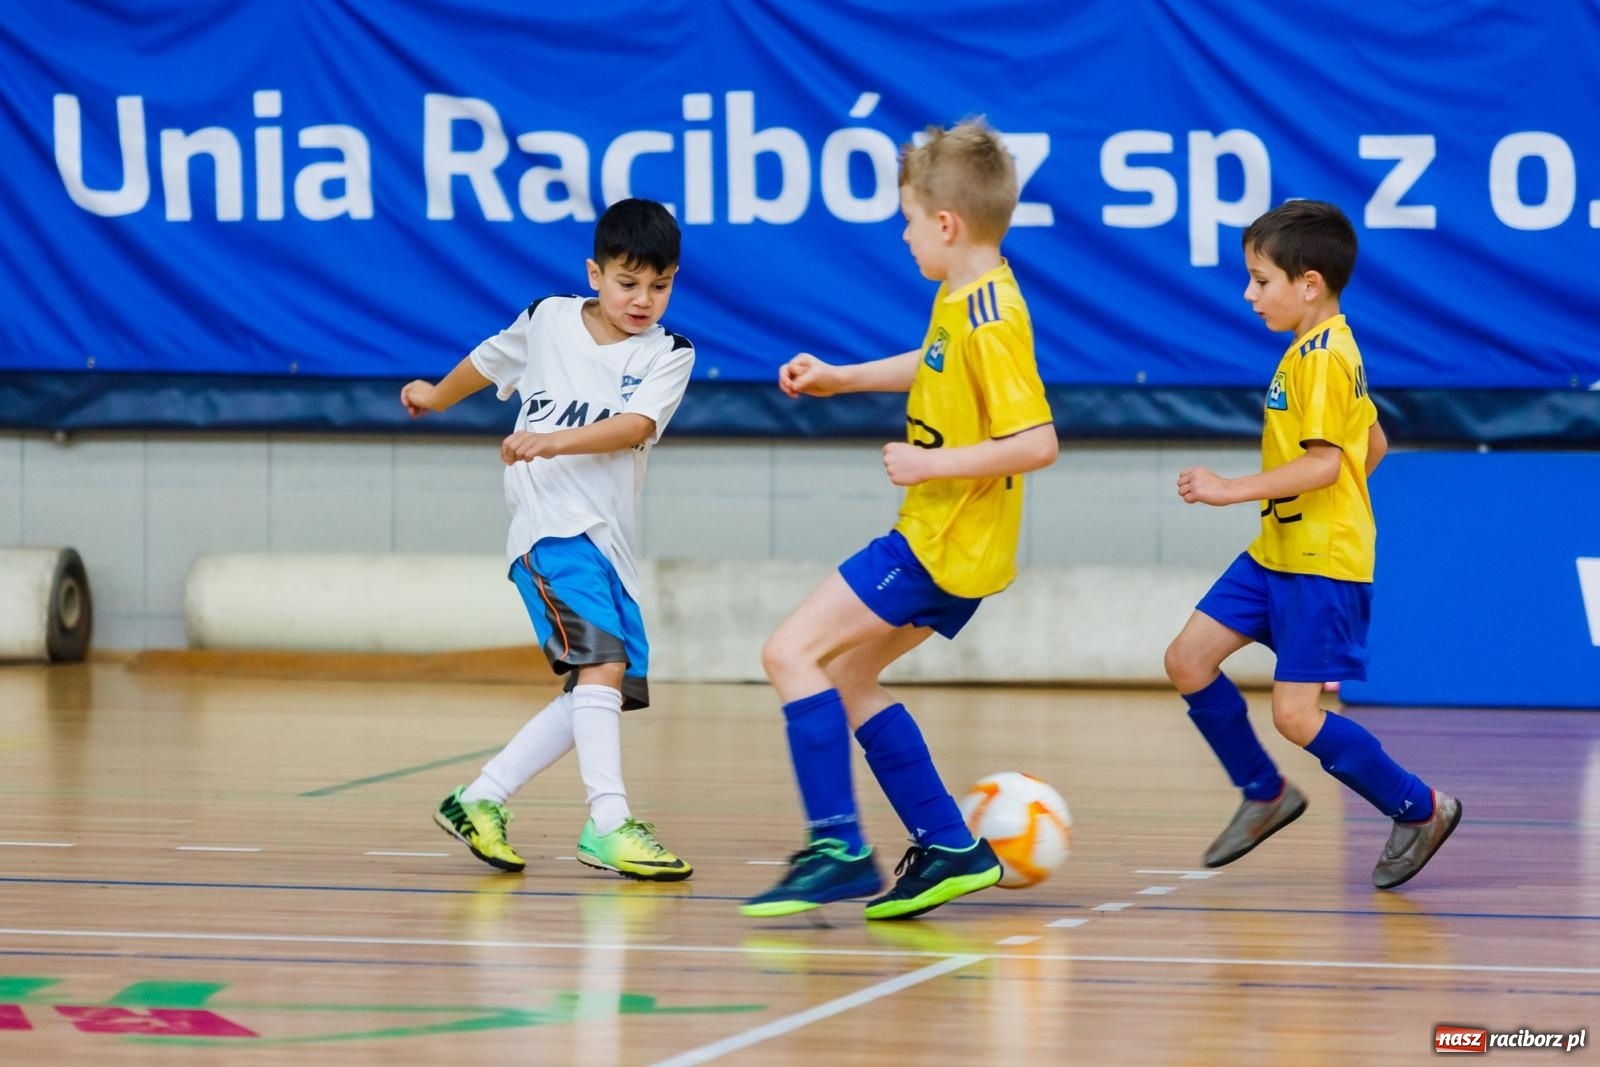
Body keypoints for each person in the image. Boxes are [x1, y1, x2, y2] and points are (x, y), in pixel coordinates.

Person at [741, 119, 1059, 921]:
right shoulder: (964, 297)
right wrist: (841, 378)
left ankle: (839, 847)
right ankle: (951, 846)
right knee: (847, 676)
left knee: (789, 653)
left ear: (946, 225)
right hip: (956, 550)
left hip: (935, 542)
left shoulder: (992, 315)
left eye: (910, 221)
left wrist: (931, 465)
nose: (905, 235)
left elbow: (1037, 441)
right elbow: (936, 365)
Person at [1165, 199, 1460, 890]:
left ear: (1309, 284)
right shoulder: (1315, 349)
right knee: (1187, 659)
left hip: (1320, 566)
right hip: (1276, 554)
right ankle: (1265, 793)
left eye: (1260, 279)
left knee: (1296, 714)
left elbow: (1330, 462)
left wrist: (1228, 487)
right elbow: (1373, 442)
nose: (1248, 293)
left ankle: (1420, 808)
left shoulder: (1325, 358)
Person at [400, 198, 693, 882]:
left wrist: (553, 439)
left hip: (608, 543)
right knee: (600, 668)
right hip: (550, 530)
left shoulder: (670, 354)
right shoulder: (548, 319)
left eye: (660, 284)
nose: (643, 299)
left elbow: (633, 427)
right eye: (628, 282)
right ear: (595, 273)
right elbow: (485, 360)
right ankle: (610, 822)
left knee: (604, 683)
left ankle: (480, 797)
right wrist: (436, 396)